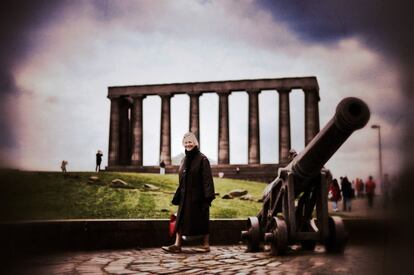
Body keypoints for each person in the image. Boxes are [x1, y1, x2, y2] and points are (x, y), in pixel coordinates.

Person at [162, 132, 215, 253]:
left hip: (199, 196)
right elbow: (182, 180)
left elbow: (207, 179)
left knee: (203, 219)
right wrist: (178, 195)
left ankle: (206, 245)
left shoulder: (203, 159)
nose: (188, 144)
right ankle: (177, 245)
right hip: (185, 196)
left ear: (195, 143)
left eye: (190, 142)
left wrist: (208, 198)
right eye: (186, 142)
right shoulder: (183, 160)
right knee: (180, 219)